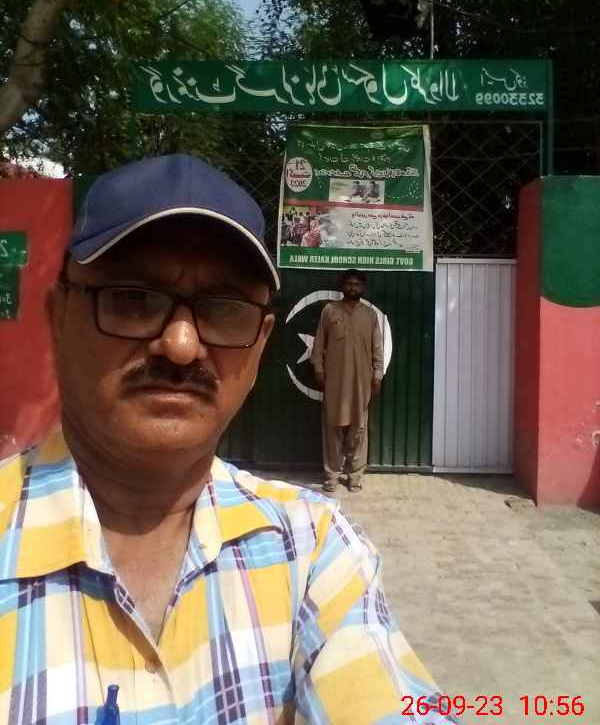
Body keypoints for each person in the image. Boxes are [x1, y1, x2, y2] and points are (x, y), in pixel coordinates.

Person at [0, 154, 459, 724]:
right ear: (57, 317)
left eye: (224, 309)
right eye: (133, 298)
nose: (181, 346)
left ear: (261, 342)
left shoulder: (311, 549)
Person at [311, 269, 383, 493]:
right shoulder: (330, 311)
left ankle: (355, 475)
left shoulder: (370, 315)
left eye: (357, 284)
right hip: (335, 381)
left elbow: (377, 348)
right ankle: (332, 475)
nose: (353, 287)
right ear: (342, 286)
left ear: (363, 288)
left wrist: (377, 374)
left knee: (358, 429)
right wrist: (318, 369)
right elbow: (319, 344)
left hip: (361, 383)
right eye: (349, 284)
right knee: (332, 428)